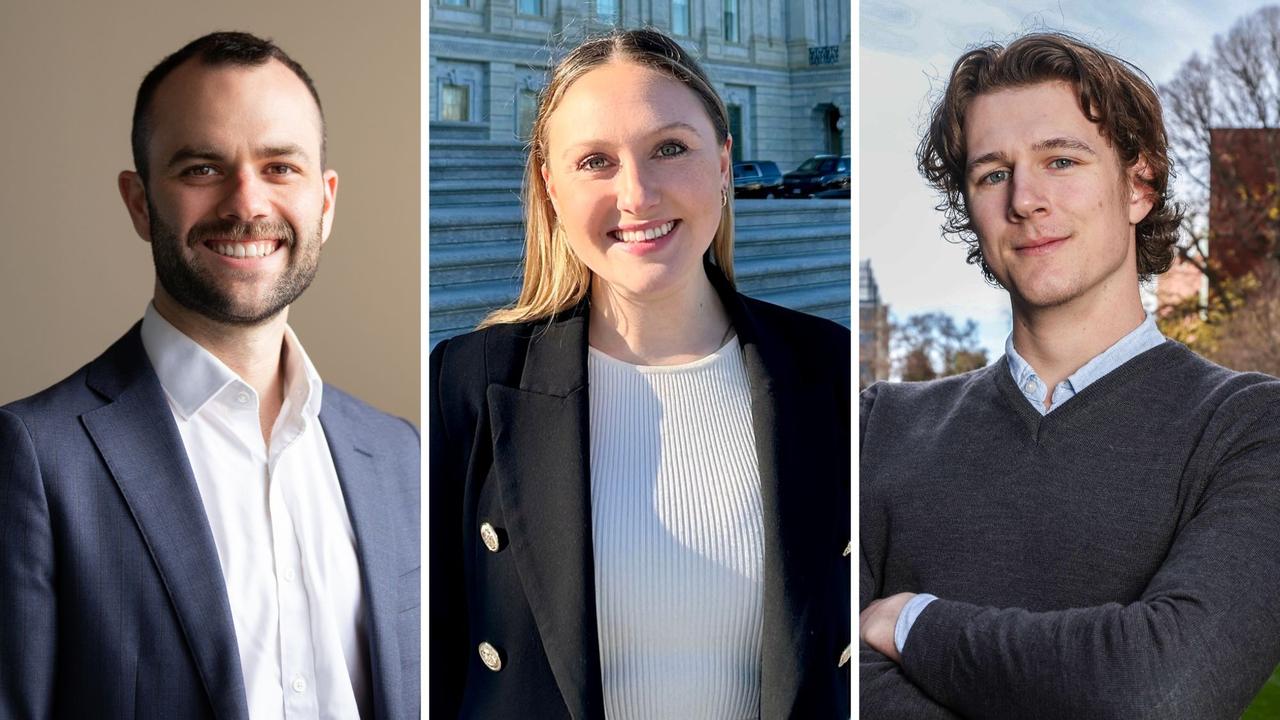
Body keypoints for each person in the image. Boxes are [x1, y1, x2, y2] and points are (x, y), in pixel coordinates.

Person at [430, 27, 850, 719]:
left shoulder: (829, 372)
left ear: (723, 162)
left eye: (669, 149)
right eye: (596, 160)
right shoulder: (467, 384)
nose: (638, 194)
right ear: (550, 187)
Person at [859, 31, 1280, 719]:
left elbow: (1164, 691)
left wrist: (911, 623)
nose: (1025, 199)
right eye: (992, 173)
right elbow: (838, 677)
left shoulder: (1249, 427)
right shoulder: (878, 426)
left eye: (1061, 160)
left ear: (1138, 184)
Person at [0, 32, 419, 719]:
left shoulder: (401, 456)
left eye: (281, 167)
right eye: (201, 168)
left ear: (326, 200)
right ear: (139, 202)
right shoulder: (36, 459)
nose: (245, 203)